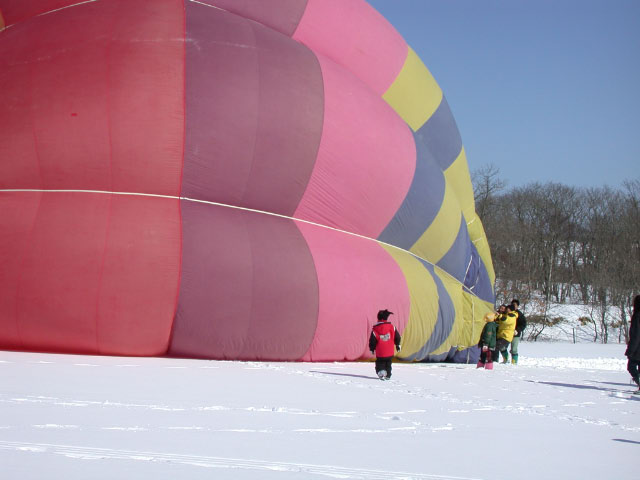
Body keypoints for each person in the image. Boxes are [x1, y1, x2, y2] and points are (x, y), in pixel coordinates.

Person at [369, 309, 401, 380]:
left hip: (381, 352)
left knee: (380, 363)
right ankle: (388, 374)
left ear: (378, 318)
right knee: (388, 363)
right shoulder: (392, 327)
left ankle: (381, 372)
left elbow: (372, 341)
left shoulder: (375, 329)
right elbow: (397, 337)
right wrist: (398, 345)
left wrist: (372, 348)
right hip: (389, 352)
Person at [625, 295, 640, 393]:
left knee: (631, 366)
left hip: (638, 348)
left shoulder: (637, 316)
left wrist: (630, 350)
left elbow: (636, 334)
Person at [509, 299, 527, 364]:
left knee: (514, 349)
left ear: (517, 306)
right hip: (506, 333)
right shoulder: (508, 312)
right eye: (512, 304)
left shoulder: (519, 314)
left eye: (515, 305)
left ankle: (514, 362)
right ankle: (505, 360)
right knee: (502, 346)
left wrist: (518, 330)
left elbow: (524, 324)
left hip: (515, 333)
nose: (513, 306)